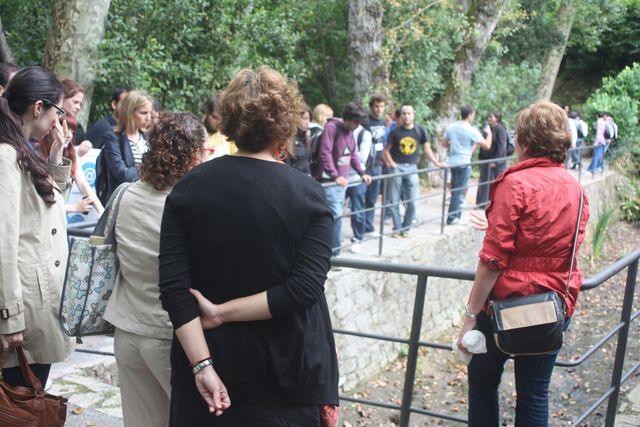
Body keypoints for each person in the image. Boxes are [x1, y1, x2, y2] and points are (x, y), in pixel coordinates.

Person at [159, 66, 339, 426]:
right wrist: (222, 312)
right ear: (284, 126)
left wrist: (202, 366)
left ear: (229, 120)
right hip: (286, 372)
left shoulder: (188, 189)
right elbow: (303, 290)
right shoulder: (309, 196)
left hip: (207, 370)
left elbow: (174, 291)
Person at [457, 101, 590, 426]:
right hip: (553, 305)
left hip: (506, 307)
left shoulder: (515, 184)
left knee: (483, 380)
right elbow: (553, 241)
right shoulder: (575, 188)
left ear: (525, 142)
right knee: (534, 392)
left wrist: (471, 315)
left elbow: (492, 261)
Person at [104, 112, 207, 427]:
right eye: (204, 151)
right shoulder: (188, 205)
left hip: (127, 329)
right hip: (170, 336)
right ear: (191, 155)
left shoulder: (126, 194)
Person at [0, 66, 72, 388]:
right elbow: (3, 240)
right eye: (58, 111)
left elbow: (43, 208)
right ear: (39, 107)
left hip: (34, 299)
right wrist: (9, 315)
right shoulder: (5, 153)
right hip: (24, 304)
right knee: (20, 405)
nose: (60, 120)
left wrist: (56, 155)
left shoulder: (21, 145)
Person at [313, 102, 372, 256]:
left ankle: (330, 251)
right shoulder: (332, 128)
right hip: (330, 181)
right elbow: (324, 153)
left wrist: (361, 172)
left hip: (341, 182)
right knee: (336, 215)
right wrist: (335, 175)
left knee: (334, 216)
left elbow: (353, 154)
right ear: (348, 118)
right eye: (355, 121)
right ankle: (334, 254)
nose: (357, 125)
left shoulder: (350, 131)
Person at [384, 105, 443, 237]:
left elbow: (427, 149)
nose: (406, 116)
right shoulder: (395, 132)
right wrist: (392, 164)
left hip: (412, 168)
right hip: (397, 167)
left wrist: (437, 163)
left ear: (413, 115)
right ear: (400, 116)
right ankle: (397, 229)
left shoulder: (420, 131)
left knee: (412, 201)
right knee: (394, 200)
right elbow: (386, 151)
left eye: (409, 113)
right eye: (404, 114)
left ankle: (406, 229)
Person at [39, 114, 104, 215]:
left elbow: (84, 186)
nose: (69, 135)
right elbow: (41, 202)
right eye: (64, 129)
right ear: (51, 129)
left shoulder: (70, 156)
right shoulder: (37, 155)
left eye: (72, 131)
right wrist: (74, 207)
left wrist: (103, 214)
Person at [96, 89, 152, 204]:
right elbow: (123, 174)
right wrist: (149, 168)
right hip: (121, 202)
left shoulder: (148, 138)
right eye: (143, 113)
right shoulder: (112, 138)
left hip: (144, 200)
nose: (148, 118)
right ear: (130, 112)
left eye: (150, 112)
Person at [441, 105, 492, 225]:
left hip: (452, 162)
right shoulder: (471, 130)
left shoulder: (451, 127)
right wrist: (489, 133)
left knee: (455, 191)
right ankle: (452, 218)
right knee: (459, 192)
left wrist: (455, 146)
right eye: (473, 114)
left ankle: (457, 216)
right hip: (464, 163)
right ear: (470, 115)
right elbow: (487, 145)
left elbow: (443, 144)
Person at [363, 94, 387, 237]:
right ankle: (361, 228)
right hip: (366, 165)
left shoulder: (383, 122)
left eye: (382, 106)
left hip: (378, 164)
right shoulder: (366, 122)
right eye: (377, 106)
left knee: (372, 198)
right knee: (361, 197)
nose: (379, 109)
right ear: (372, 107)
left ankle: (369, 226)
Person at [346, 124, 373, 254]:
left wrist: (345, 152)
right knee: (335, 211)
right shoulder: (341, 130)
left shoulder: (364, 134)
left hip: (357, 178)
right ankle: (333, 241)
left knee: (357, 211)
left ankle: (358, 239)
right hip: (341, 177)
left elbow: (362, 157)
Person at [475, 111, 507, 208]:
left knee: (494, 182)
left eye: (491, 117)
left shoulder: (500, 129)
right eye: (488, 117)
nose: (489, 119)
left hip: (496, 162)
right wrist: (480, 157)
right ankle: (481, 203)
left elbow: (502, 146)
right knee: (483, 181)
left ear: (497, 118)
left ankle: (493, 204)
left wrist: (496, 161)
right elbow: (483, 143)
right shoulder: (487, 128)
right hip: (486, 160)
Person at [201, 95, 237, 160]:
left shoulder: (228, 137)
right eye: (215, 117)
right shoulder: (195, 135)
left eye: (222, 119)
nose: (219, 123)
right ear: (206, 112)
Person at [285, 105, 312, 174]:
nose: (308, 122)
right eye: (305, 118)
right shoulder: (288, 139)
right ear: (296, 118)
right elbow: (287, 167)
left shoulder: (303, 138)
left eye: (309, 119)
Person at [588, 112, 607, 176]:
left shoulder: (599, 122)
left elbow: (599, 133)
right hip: (603, 141)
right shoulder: (604, 121)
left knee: (595, 156)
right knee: (599, 156)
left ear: (597, 116)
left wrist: (595, 143)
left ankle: (592, 170)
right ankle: (598, 168)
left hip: (599, 142)